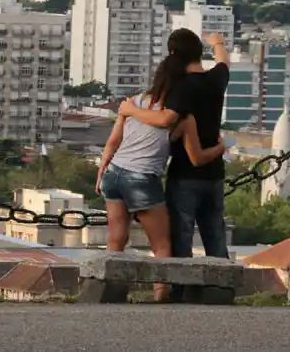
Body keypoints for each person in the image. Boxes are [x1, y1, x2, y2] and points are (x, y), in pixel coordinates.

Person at [97, 49, 225, 302]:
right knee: (162, 244)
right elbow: (196, 157)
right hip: (142, 178)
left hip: (114, 174)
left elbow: (112, 142)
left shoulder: (133, 103)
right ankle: (161, 295)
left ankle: (108, 292)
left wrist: (101, 172)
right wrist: (220, 148)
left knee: (116, 239)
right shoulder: (181, 117)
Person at [119, 29, 231, 265]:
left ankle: (182, 291)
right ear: (199, 53)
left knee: (182, 237)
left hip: (184, 173)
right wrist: (217, 42)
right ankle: (221, 290)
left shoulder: (182, 87)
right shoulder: (216, 80)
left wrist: (130, 110)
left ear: (172, 53)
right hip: (215, 172)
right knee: (215, 235)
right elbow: (224, 63)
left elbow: (165, 119)